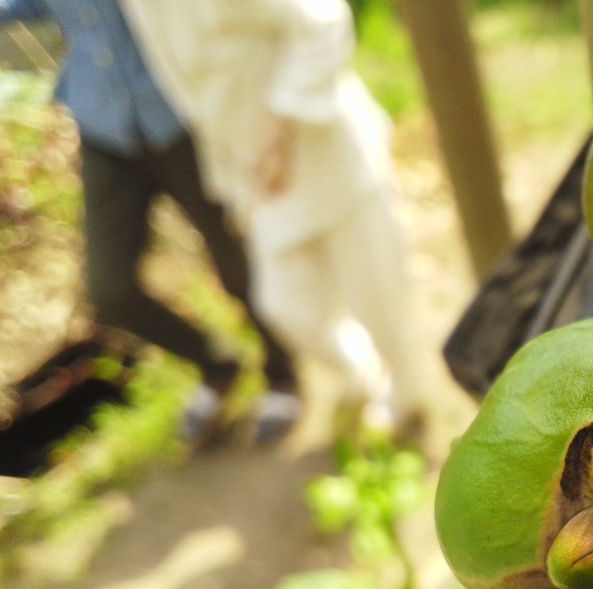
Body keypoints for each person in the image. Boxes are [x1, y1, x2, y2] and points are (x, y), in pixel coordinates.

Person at [0, 0, 301, 445]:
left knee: (236, 261)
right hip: (105, 129)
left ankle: (284, 371)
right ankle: (216, 362)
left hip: (179, 117)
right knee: (110, 287)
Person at [118, 0, 426, 434]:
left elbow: (322, 19)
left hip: (325, 148)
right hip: (255, 174)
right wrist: (227, 178)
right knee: (284, 305)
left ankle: (413, 398)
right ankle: (360, 371)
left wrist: (282, 133)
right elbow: (188, 88)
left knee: (377, 291)